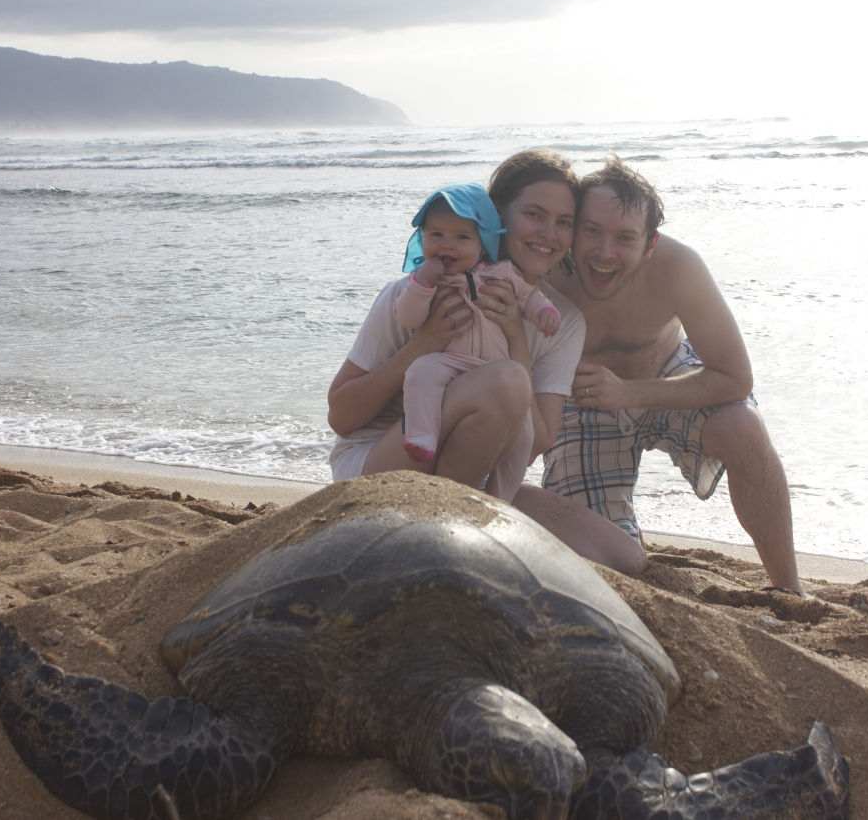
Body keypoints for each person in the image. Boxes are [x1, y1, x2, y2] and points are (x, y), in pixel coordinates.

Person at [327, 149, 646, 574]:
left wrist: (516, 335)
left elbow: (537, 440)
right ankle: (440, 552)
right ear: (497, 216)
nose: (548, 233)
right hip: (377, 468)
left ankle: (456, 526)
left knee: (626, 558)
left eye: (564, 222)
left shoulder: (561, 321)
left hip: (476, 474)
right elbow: (341, 416)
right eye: (534, 214)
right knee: (507, 383)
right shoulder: (418, 293)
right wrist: (422, 345)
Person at [534, 155, 806, 595]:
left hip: (666, 379)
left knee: (744, 427)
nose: (604, 253)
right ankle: (623, 532)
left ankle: (790, 590)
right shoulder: (542, 274)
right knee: (612, 562)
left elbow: (736, 378)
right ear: (572, 229)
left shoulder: (679, 267)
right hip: (580, 400)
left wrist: (628, 392)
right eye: (591, 232)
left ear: (650, 243)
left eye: (624, 238)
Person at [394, 183, 560, 502]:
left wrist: (544, 311)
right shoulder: (427, 282)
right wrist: (421, 284)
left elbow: (529, 297)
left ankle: (500, 499)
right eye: (436, 235)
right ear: (421, 239)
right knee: (421, 371)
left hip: (494, 371)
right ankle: (421, 436)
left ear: (483, 242)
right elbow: (407, 317)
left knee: (523, 434)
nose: (448, 245)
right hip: (451, 367)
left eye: (462, 237)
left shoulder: (502, 273)